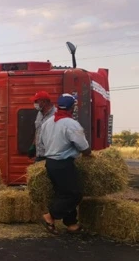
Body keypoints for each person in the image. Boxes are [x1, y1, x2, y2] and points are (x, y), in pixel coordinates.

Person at [38, 93, 92, 235]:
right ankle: (50, 216)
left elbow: (41, 144)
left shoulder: (48, 123)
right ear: (72, 107)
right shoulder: (71, 124)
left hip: (50, 163)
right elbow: (83, 146)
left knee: (63, 193)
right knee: (75, 194)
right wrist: (88, 154)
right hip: (63, 164)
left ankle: (71, 224)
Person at [28, 91, 56, 162]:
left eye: (36, 101)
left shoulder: (56, 114)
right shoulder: (39, 114)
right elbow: (38, 130)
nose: (35, 103)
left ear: (44, 102)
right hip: (39, 155)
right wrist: (33, 145)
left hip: (51, 156)